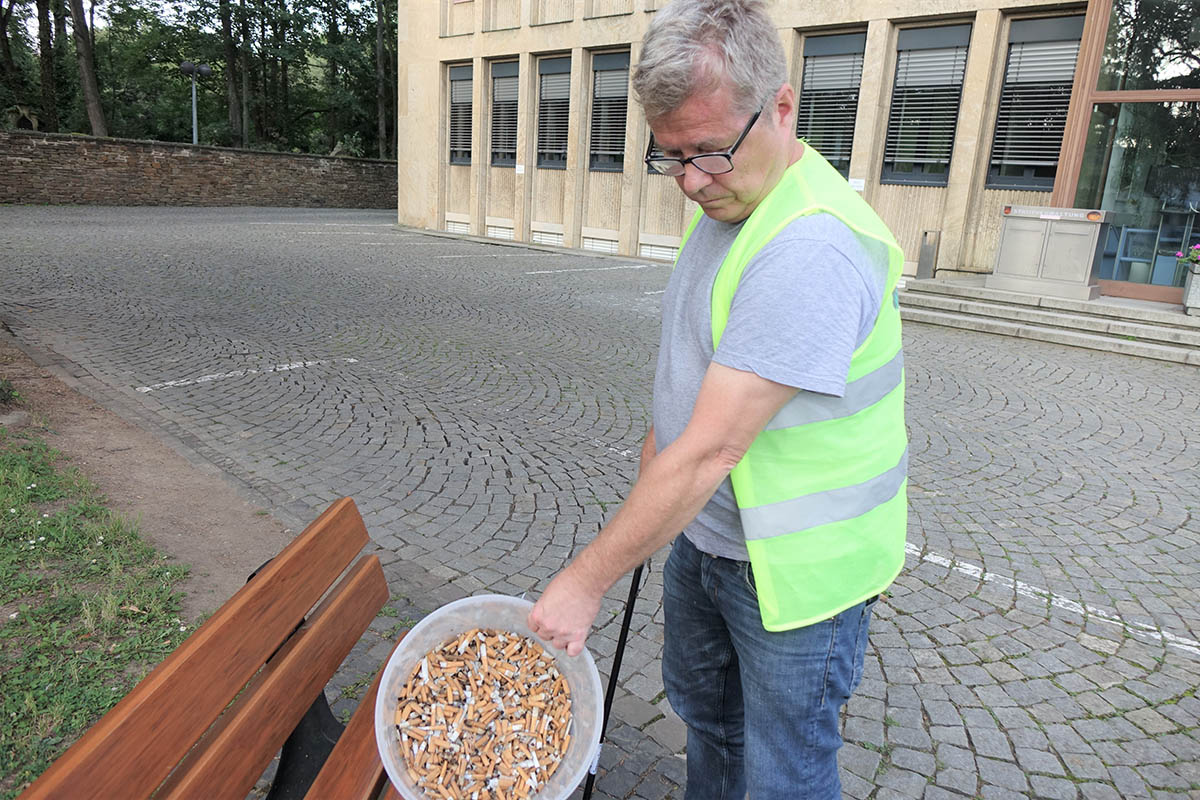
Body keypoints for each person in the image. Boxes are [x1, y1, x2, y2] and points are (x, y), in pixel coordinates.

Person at [528, 0, 908, 796]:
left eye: (708, 152)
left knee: (782, 773)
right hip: (712, 539)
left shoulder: (810, 244)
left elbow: (714, 446)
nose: (691, 182)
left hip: (797, 575)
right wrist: (654, 489)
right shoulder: (735, 199)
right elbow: (696, 371)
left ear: (781, 106)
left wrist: (586, 579)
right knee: (712, 727)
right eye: (670, 156)